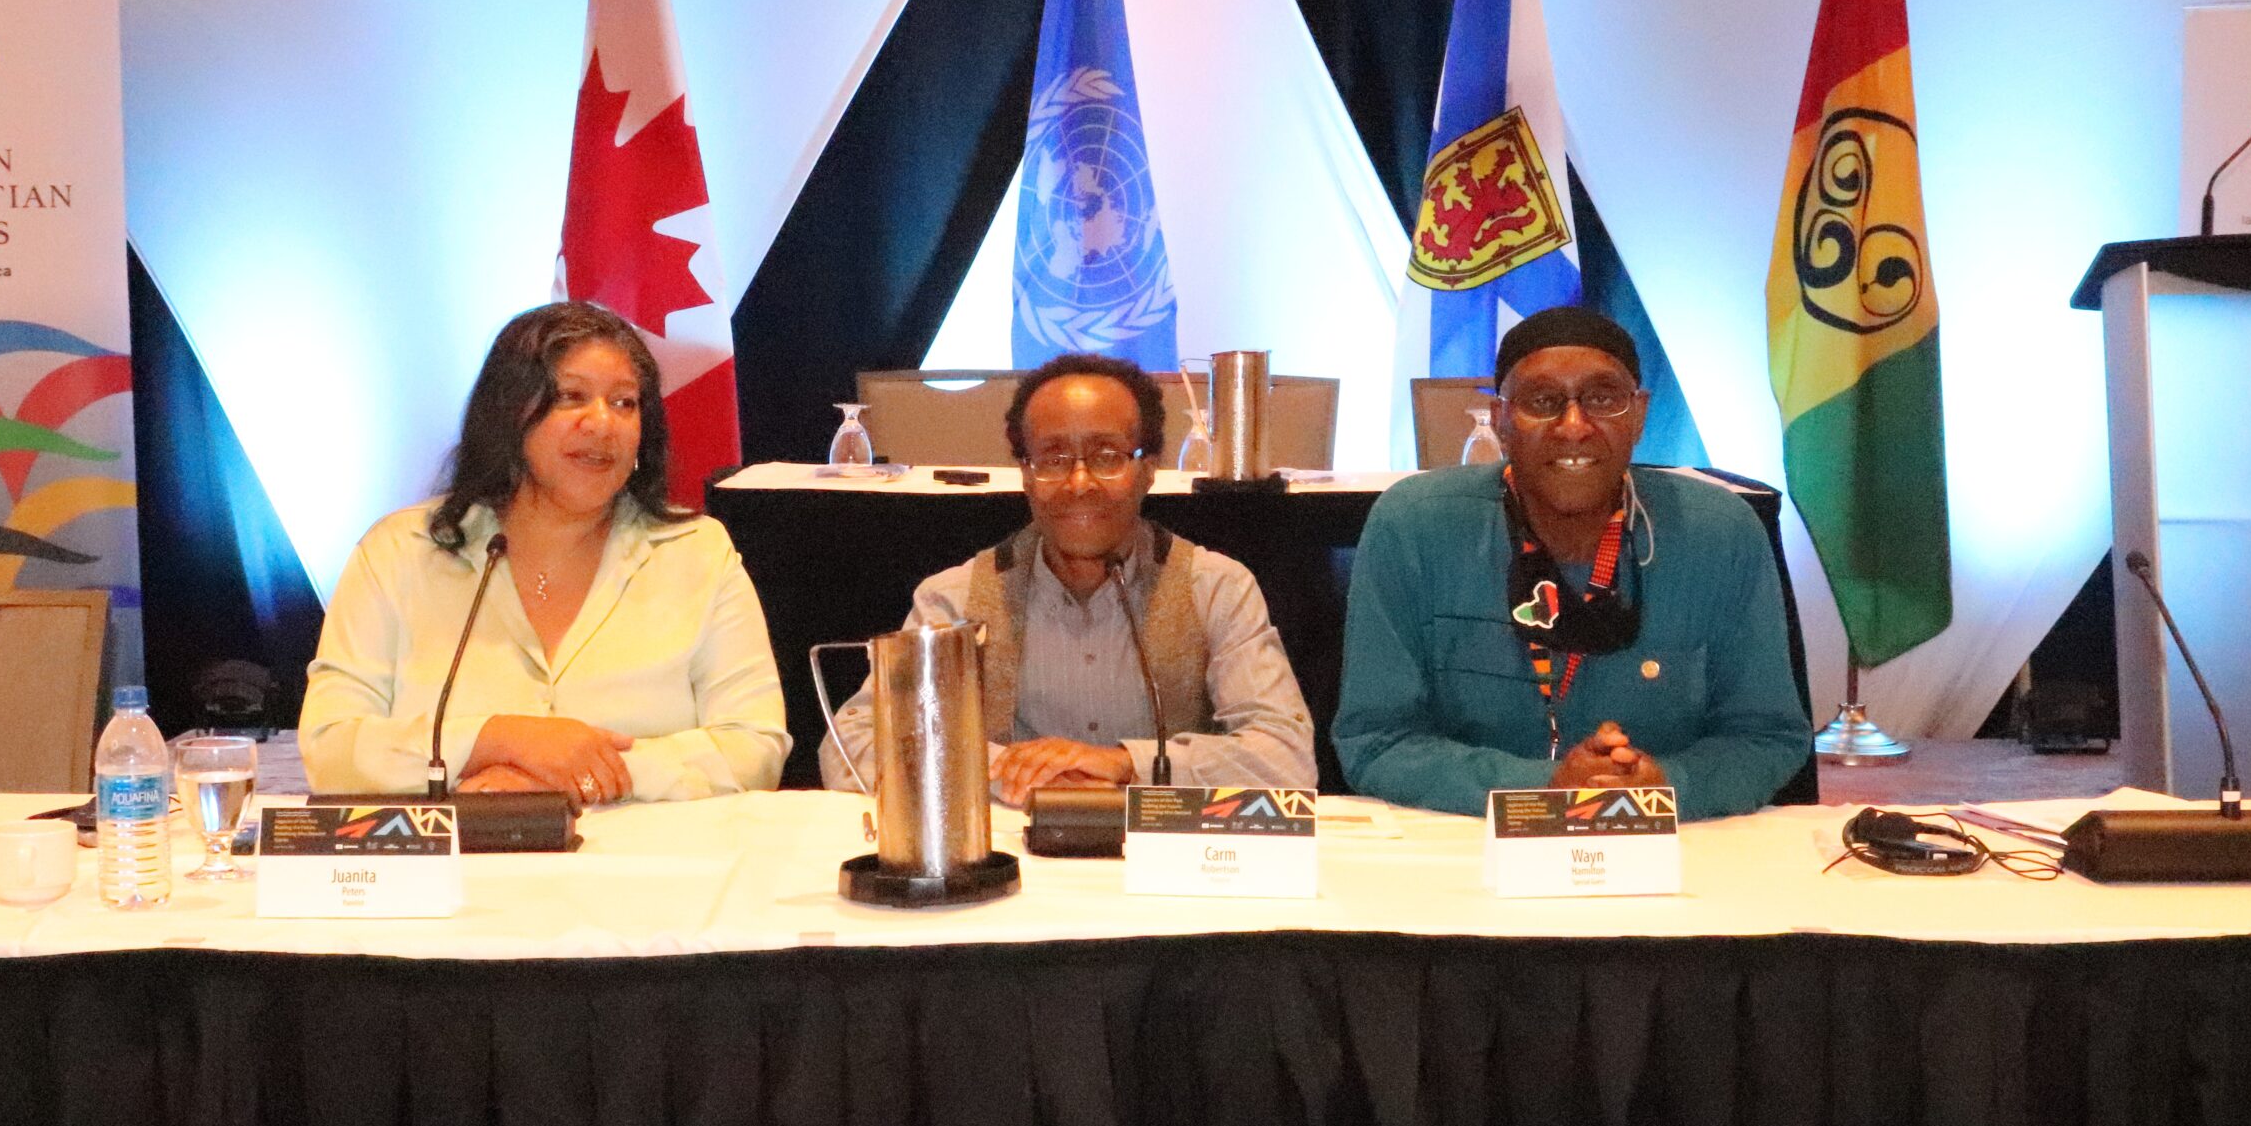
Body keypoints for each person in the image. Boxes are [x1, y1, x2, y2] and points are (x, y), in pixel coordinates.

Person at [301, 302, 788, 804]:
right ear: (509, 414)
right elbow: (330, 748)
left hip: (648, 872)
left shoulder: (697, 553)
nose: (602, 423)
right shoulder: (400, 553)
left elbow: (754, 745)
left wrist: (579, 775)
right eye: (570, 397)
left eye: (624, 403)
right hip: (458, 874)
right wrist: (497, 740)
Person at [1335, 305, 1809, 820]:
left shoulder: (1720, 532)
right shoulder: (1415, 526)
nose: (1574, 426)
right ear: (1501, 421)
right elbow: (1375, 741)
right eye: (1543, 401)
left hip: (1676, 844)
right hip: (1468, 848)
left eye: (1603, 399)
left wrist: (1666, 786)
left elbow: (1767, 736)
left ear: (1640, 415)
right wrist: (1547, 787)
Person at [821, 353, 1313, 804]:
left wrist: (1123, 764)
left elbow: (1287, 760)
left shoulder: (1217, 588)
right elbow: (851, 743)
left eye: (1106, 456)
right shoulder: (955, 599)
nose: (1080, 484)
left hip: (1166, 869)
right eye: (1054, 459)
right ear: (1026, 474)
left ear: (1150, 471)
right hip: (1010, 866)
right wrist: (1015, 771)